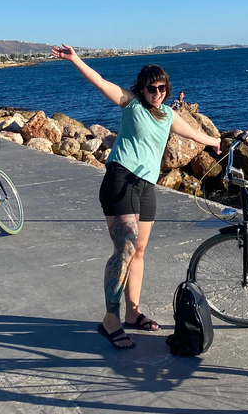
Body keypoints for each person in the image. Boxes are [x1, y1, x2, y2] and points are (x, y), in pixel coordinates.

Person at [51, 43, 221, 350]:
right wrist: (75, 59)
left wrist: (217, 141)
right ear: (141, 89)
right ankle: (110, 318)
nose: (157, 92)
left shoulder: (167, 114)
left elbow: (194, 134)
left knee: (139, 251)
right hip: (121, 180)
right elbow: (101, 82)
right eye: (152, 88)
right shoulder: (132, 105)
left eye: (162, 87)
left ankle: (132, 312)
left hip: (146, 187)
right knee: (125, 247)